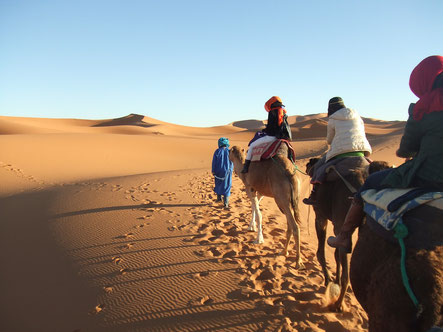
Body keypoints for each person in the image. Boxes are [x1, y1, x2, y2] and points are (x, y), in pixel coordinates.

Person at [328, 55, 443, 253]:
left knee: (365, 183)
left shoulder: (424, 108)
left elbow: (407, 149)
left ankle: (344, 236)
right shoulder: (356, 115)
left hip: (429, 175)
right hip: (363, 151)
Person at [303, 97, 372, 205]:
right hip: (361, 151)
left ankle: (314, 195)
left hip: (341, 152)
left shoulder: (333, 119)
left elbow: (330, 140)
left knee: (317, 168)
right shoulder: (357, 117)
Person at [241, 96, 292, 173]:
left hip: (272, 136)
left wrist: (265, 130)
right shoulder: (284, 112)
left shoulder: (273, 112)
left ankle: (246, 167)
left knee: (252, 146)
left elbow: (272, 127)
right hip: (283, 137)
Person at [212, 137, 233, 208]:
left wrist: (213, 171)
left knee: (218, 184)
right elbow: (232, 162)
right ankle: (226, 203)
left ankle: (219, 198)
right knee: (227, 185)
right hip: (228, 171)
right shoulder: (230, 151)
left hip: (218, 170)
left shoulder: (217, 151)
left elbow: (214, 162)